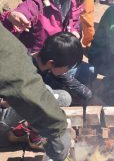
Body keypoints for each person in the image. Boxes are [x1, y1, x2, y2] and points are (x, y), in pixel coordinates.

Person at [0, 24, 70, 161]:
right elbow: (22, 91)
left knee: (63, 97)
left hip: (12, 106)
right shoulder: (17, 61)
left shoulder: (20, 55)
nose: (68, 71)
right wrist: (57, 127)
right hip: (3, 113)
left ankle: (23, 129)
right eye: (68, 67)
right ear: (52, 62)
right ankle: (30, 134)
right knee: (46, 94)